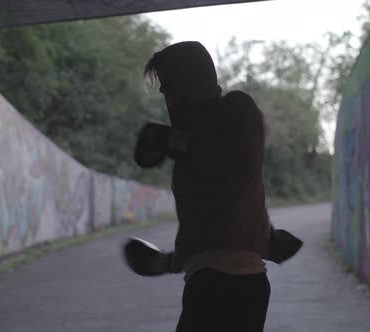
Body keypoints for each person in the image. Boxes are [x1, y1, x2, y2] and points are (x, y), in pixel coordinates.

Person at [125, 41, 303, 332]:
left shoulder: (236, 110)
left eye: (168, 83)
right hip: (212, 279)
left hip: (226, 284)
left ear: (189, 81)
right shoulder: (197, 137)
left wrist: (172, 141)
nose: (163, 92)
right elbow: (215, 213)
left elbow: (234, 159)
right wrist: (168, 262)